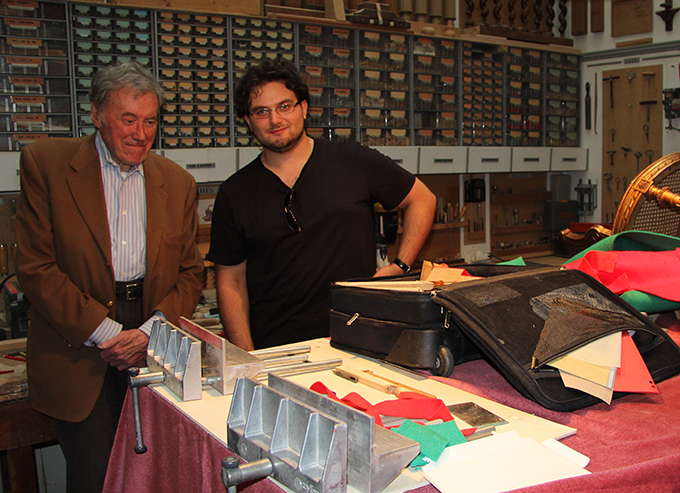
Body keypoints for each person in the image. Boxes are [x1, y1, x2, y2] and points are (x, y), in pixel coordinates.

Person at [16, 62, 204, 492]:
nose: (141, 133)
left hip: (153, 337)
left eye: (151, 120)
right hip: (80, 342)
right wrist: (107, 333)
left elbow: (192, 273)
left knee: (162, 474)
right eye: (128, 119)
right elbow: (36, 267)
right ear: (98, 115)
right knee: (96, 478)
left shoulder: (177, 183)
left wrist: (151, 331)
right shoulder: (47, 165)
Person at [208, 60, 435, 351]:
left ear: (304, 108)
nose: (275, 120)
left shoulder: (353, 160)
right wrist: (246, 358)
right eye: (261, 112)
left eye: (284, 106)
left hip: (357, 339)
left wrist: (401, 265)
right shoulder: (234, 192)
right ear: (248, 121)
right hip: (278, 350)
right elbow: (230, 282)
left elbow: (422, 199)